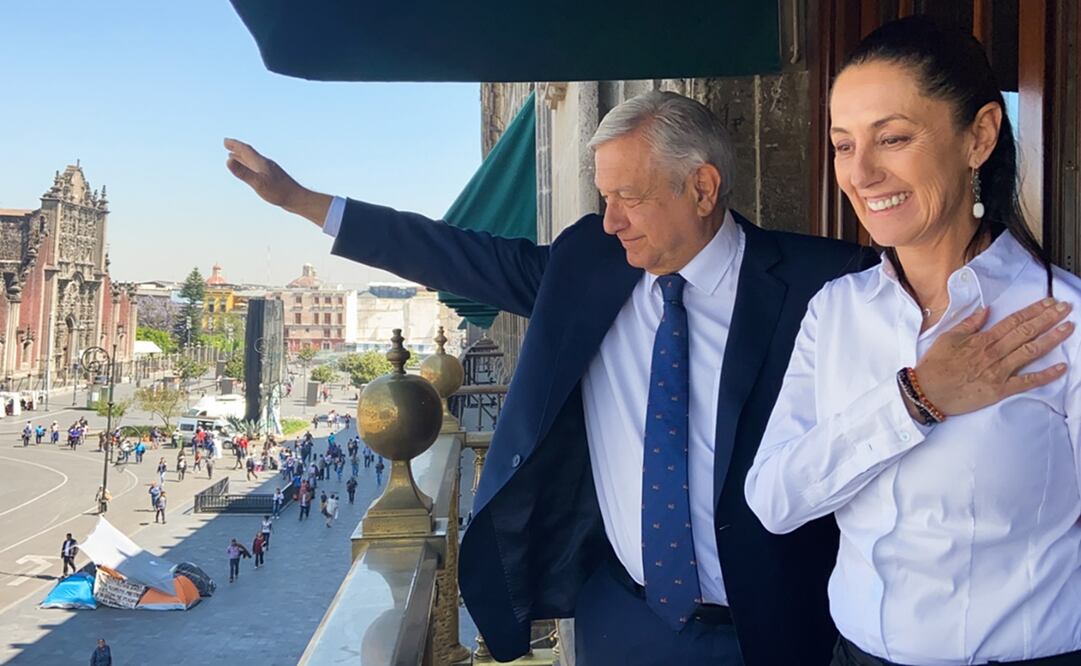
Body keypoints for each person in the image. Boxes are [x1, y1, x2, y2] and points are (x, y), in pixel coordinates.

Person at [225, 89, 878, 664]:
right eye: (603, 197)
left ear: (702, 189)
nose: (611, 219)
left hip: (778, 623)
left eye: (628, 197)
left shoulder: (826, 281)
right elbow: (451, 253)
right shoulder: (589, 264)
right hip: (622, 617)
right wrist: (302, 201)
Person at [744, 17, 1081, 666]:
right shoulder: (835, 311)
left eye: (892, 137)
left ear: (978, 135)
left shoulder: (1061, 318)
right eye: (842, 145)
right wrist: (914, 399)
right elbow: (774, 500)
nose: (861, 173)